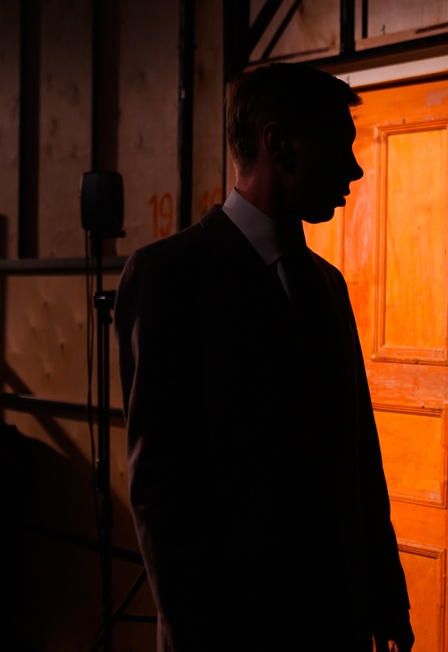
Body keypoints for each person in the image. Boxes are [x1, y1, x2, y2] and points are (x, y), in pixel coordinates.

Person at [115, 63, 414, 652]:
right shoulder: (169, 277)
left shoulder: (327, 285)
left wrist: (385, 597)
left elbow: (359, 457)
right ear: (278, 143)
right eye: (339, 146)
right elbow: (163, 494)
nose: (354, 169)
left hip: (338, 625)